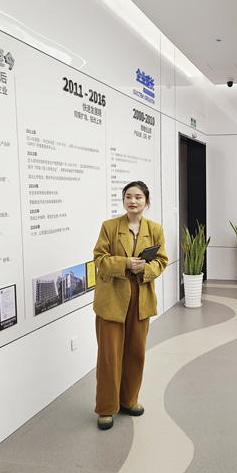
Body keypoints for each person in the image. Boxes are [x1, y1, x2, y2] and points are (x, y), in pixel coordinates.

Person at [92, 181, 168, 430]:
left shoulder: (155, 229)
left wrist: (144, 268)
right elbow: (99, 259)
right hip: (112, 299)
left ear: (147, 201)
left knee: (136, 352)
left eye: (138, 197)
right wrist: (126, 263)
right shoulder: (110, 227)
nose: (132, 201)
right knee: (109, 355)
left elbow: (161, 261)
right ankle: (106, 408)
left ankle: (129, 400)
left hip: (141, 297)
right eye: (128, 196)